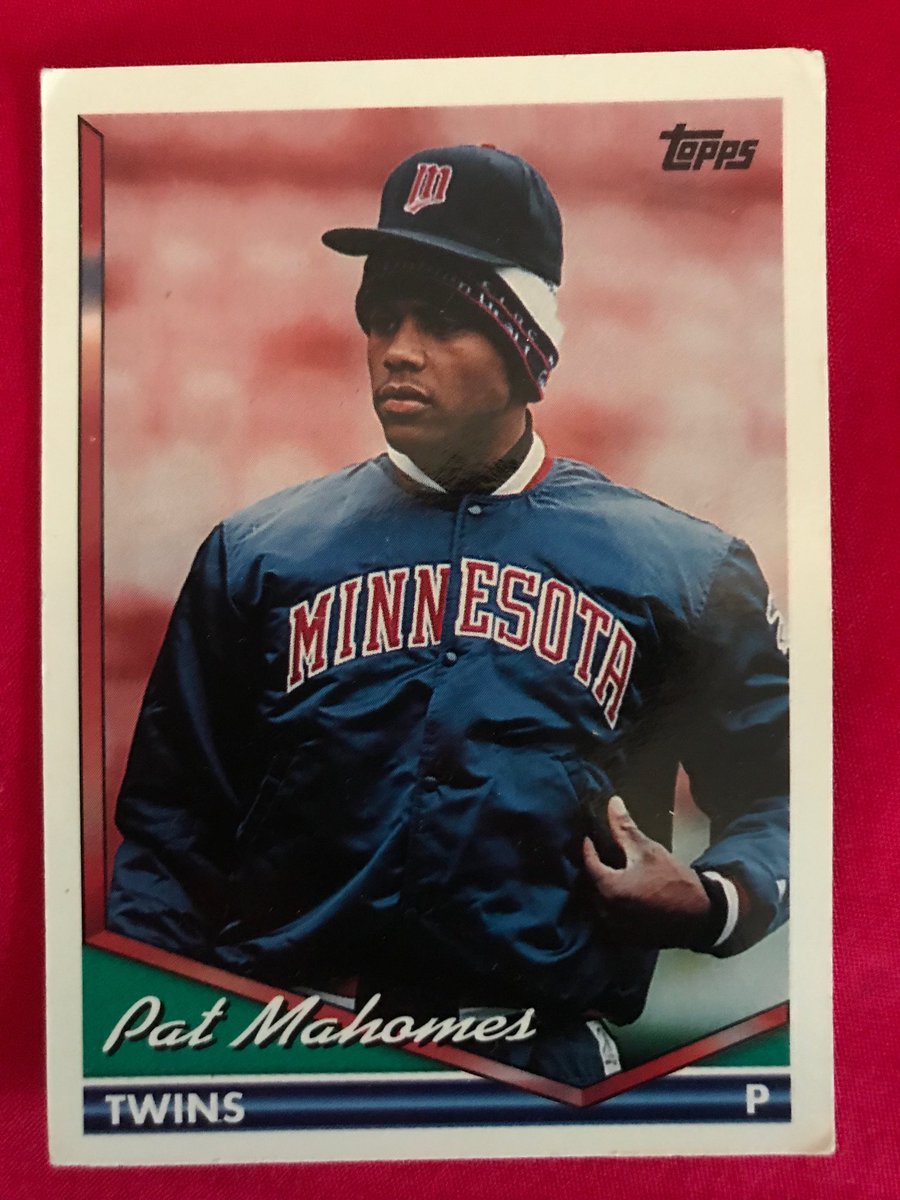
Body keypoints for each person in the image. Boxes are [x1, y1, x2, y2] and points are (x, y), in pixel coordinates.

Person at [107, 144, 789, 1088]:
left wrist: (719, 900)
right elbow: (170, 838)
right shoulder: (257, 553)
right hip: (289, 1052)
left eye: (439, 320)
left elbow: (785, 790)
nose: (398, 349)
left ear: (523, 344)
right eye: (381, 318)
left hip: (545, 1065)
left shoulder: (681, 566)